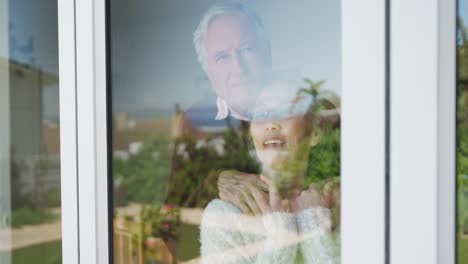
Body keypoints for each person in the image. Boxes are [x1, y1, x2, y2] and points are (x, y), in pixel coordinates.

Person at [200, 81, 339, 263]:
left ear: (315, 131)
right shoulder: (224, 215)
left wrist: (314, 221)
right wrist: (283, 233)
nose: (271, 124)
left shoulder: (336, 205)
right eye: (261, 114)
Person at [193, 2, 272, 121]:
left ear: (267, 53)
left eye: (247, 49)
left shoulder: (301, 109)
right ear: (208, 71)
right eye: (223, 57)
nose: (239, 69)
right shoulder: (192, 124)